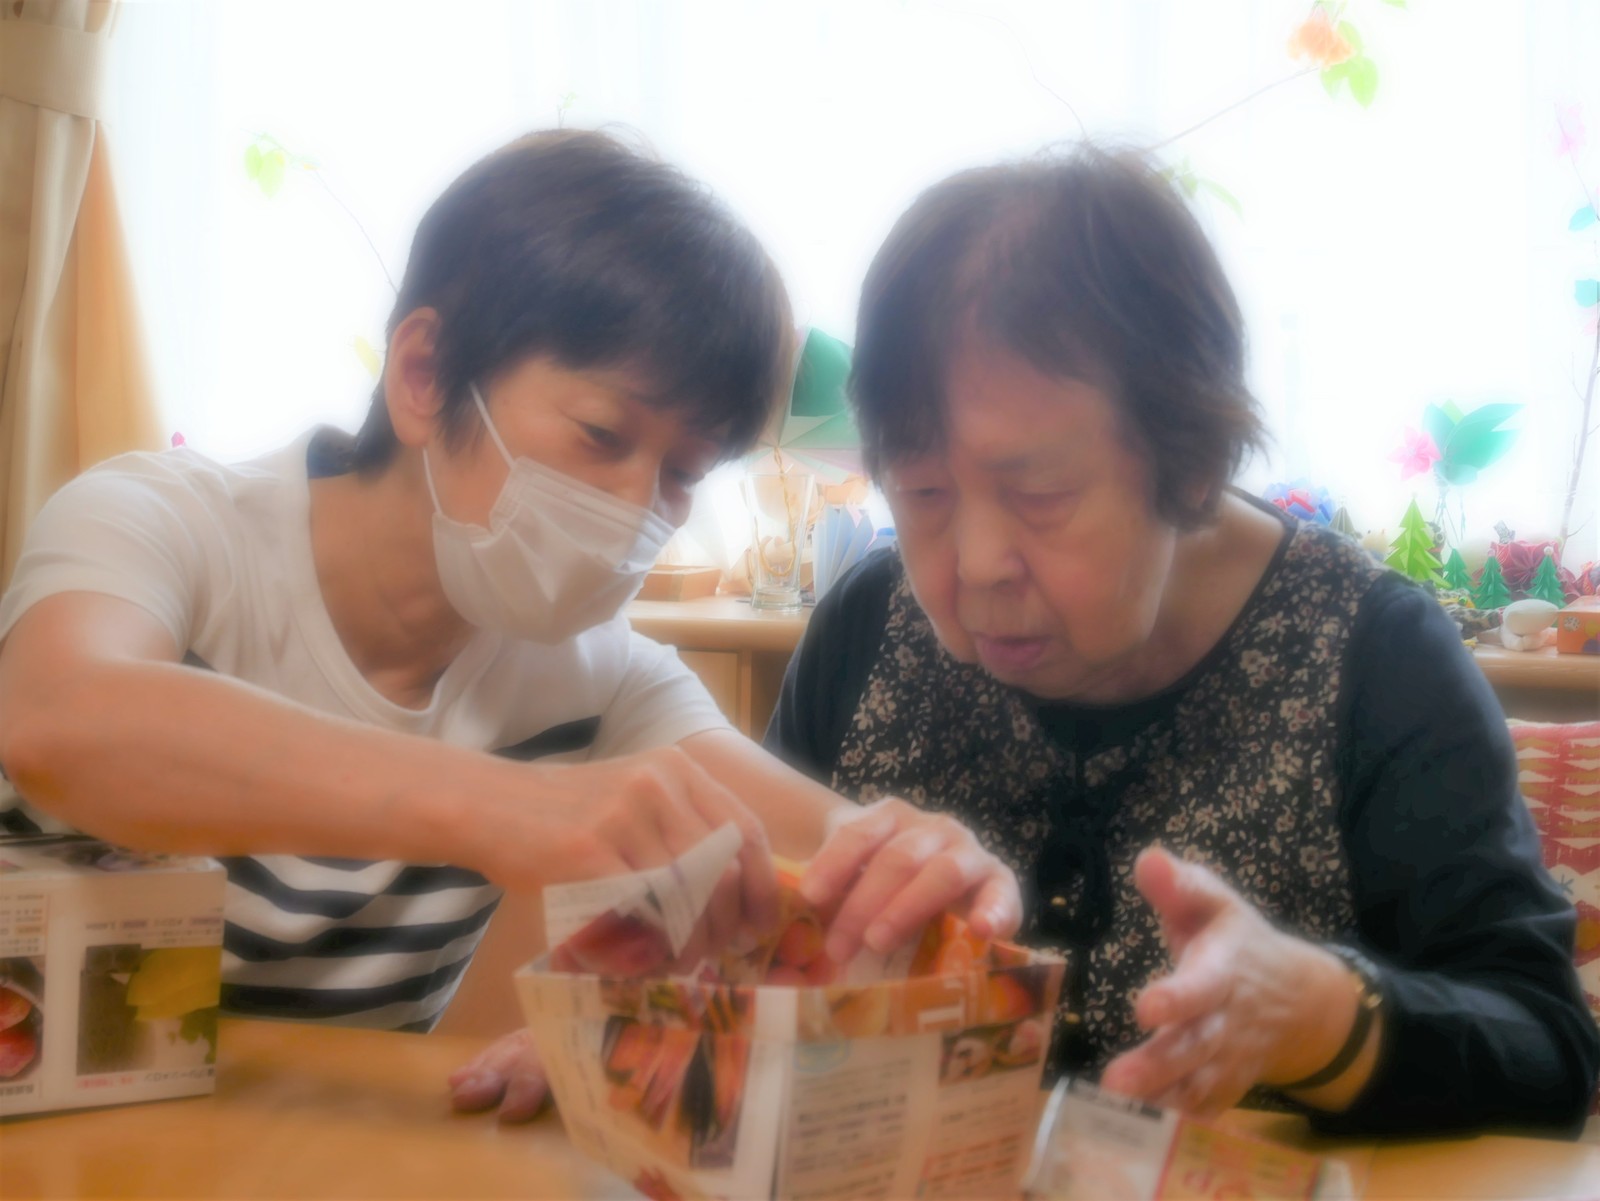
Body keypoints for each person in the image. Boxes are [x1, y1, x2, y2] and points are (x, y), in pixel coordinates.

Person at [0, 130, 1020, 1120]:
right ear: (425, 373)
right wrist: (506, 809)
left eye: (681, 473)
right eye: (602, 434)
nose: (635, 506)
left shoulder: (600, 677)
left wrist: (921, 863)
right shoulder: (162, 525)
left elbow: (811, 837)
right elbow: (58, 719)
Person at [766, 144, 1600, 1135]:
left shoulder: (1373, 656)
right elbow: (750, 955)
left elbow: (1545, 1041)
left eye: (1041, 493)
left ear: (1191, 462)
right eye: (921, 490)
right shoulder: (866, 626)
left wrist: (1322, 1020)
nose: (977, 563)